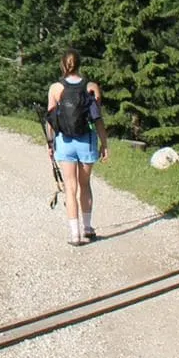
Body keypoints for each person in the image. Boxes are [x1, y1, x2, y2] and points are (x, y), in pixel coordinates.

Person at [46, 49, 108, 246]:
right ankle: (88, 228)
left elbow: (50, 119)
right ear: (80, 64)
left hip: (64, 142)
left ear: (63, 65)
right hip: (87, 141)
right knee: (85, 185)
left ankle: (75, 235)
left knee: (70, 188)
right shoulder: (91, 87)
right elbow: (97, 118)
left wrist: (50, 143)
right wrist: (104, 143)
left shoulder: (55, 88)